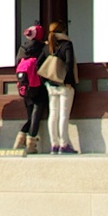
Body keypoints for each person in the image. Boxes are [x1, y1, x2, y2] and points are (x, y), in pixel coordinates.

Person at [42, 20, 77, 154]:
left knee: (53, 114)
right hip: (64, 85)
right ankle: (64, 145)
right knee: (63, 115)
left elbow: (39, 64)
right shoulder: (67, 44)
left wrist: (46, 79)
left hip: (51, 85)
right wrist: (68, 80)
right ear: (63, 31)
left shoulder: (47, 46)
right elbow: (69, 63)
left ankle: (53, 145)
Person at [13, 25, 48, 155]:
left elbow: (17, 63)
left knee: (29, 114)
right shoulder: (42, 48)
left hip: (24, 85)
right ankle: (31, 144)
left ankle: (19, 140)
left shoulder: (23, 48)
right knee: (36, 113)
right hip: (38, 84)